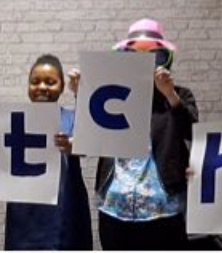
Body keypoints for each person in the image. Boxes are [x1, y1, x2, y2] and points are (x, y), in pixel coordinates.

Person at [69, 19, 198, 250]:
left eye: (153, 55)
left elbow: (192, 133)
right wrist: (85, 94)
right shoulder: (112, 96)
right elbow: (90, 142)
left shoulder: (179, 94)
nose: (144, 63)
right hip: (115, 207)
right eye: (135, 55)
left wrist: (170, 96)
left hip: (164, 209)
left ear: (165, 59)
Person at [4, 54, 92, 250]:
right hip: (24, 212)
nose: (42, 87)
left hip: (64, 209)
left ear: (61, 86)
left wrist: (73, 145)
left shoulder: (73, 117)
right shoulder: (11, 121)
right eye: (35, 82)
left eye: (50, 82)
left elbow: (92, 142)